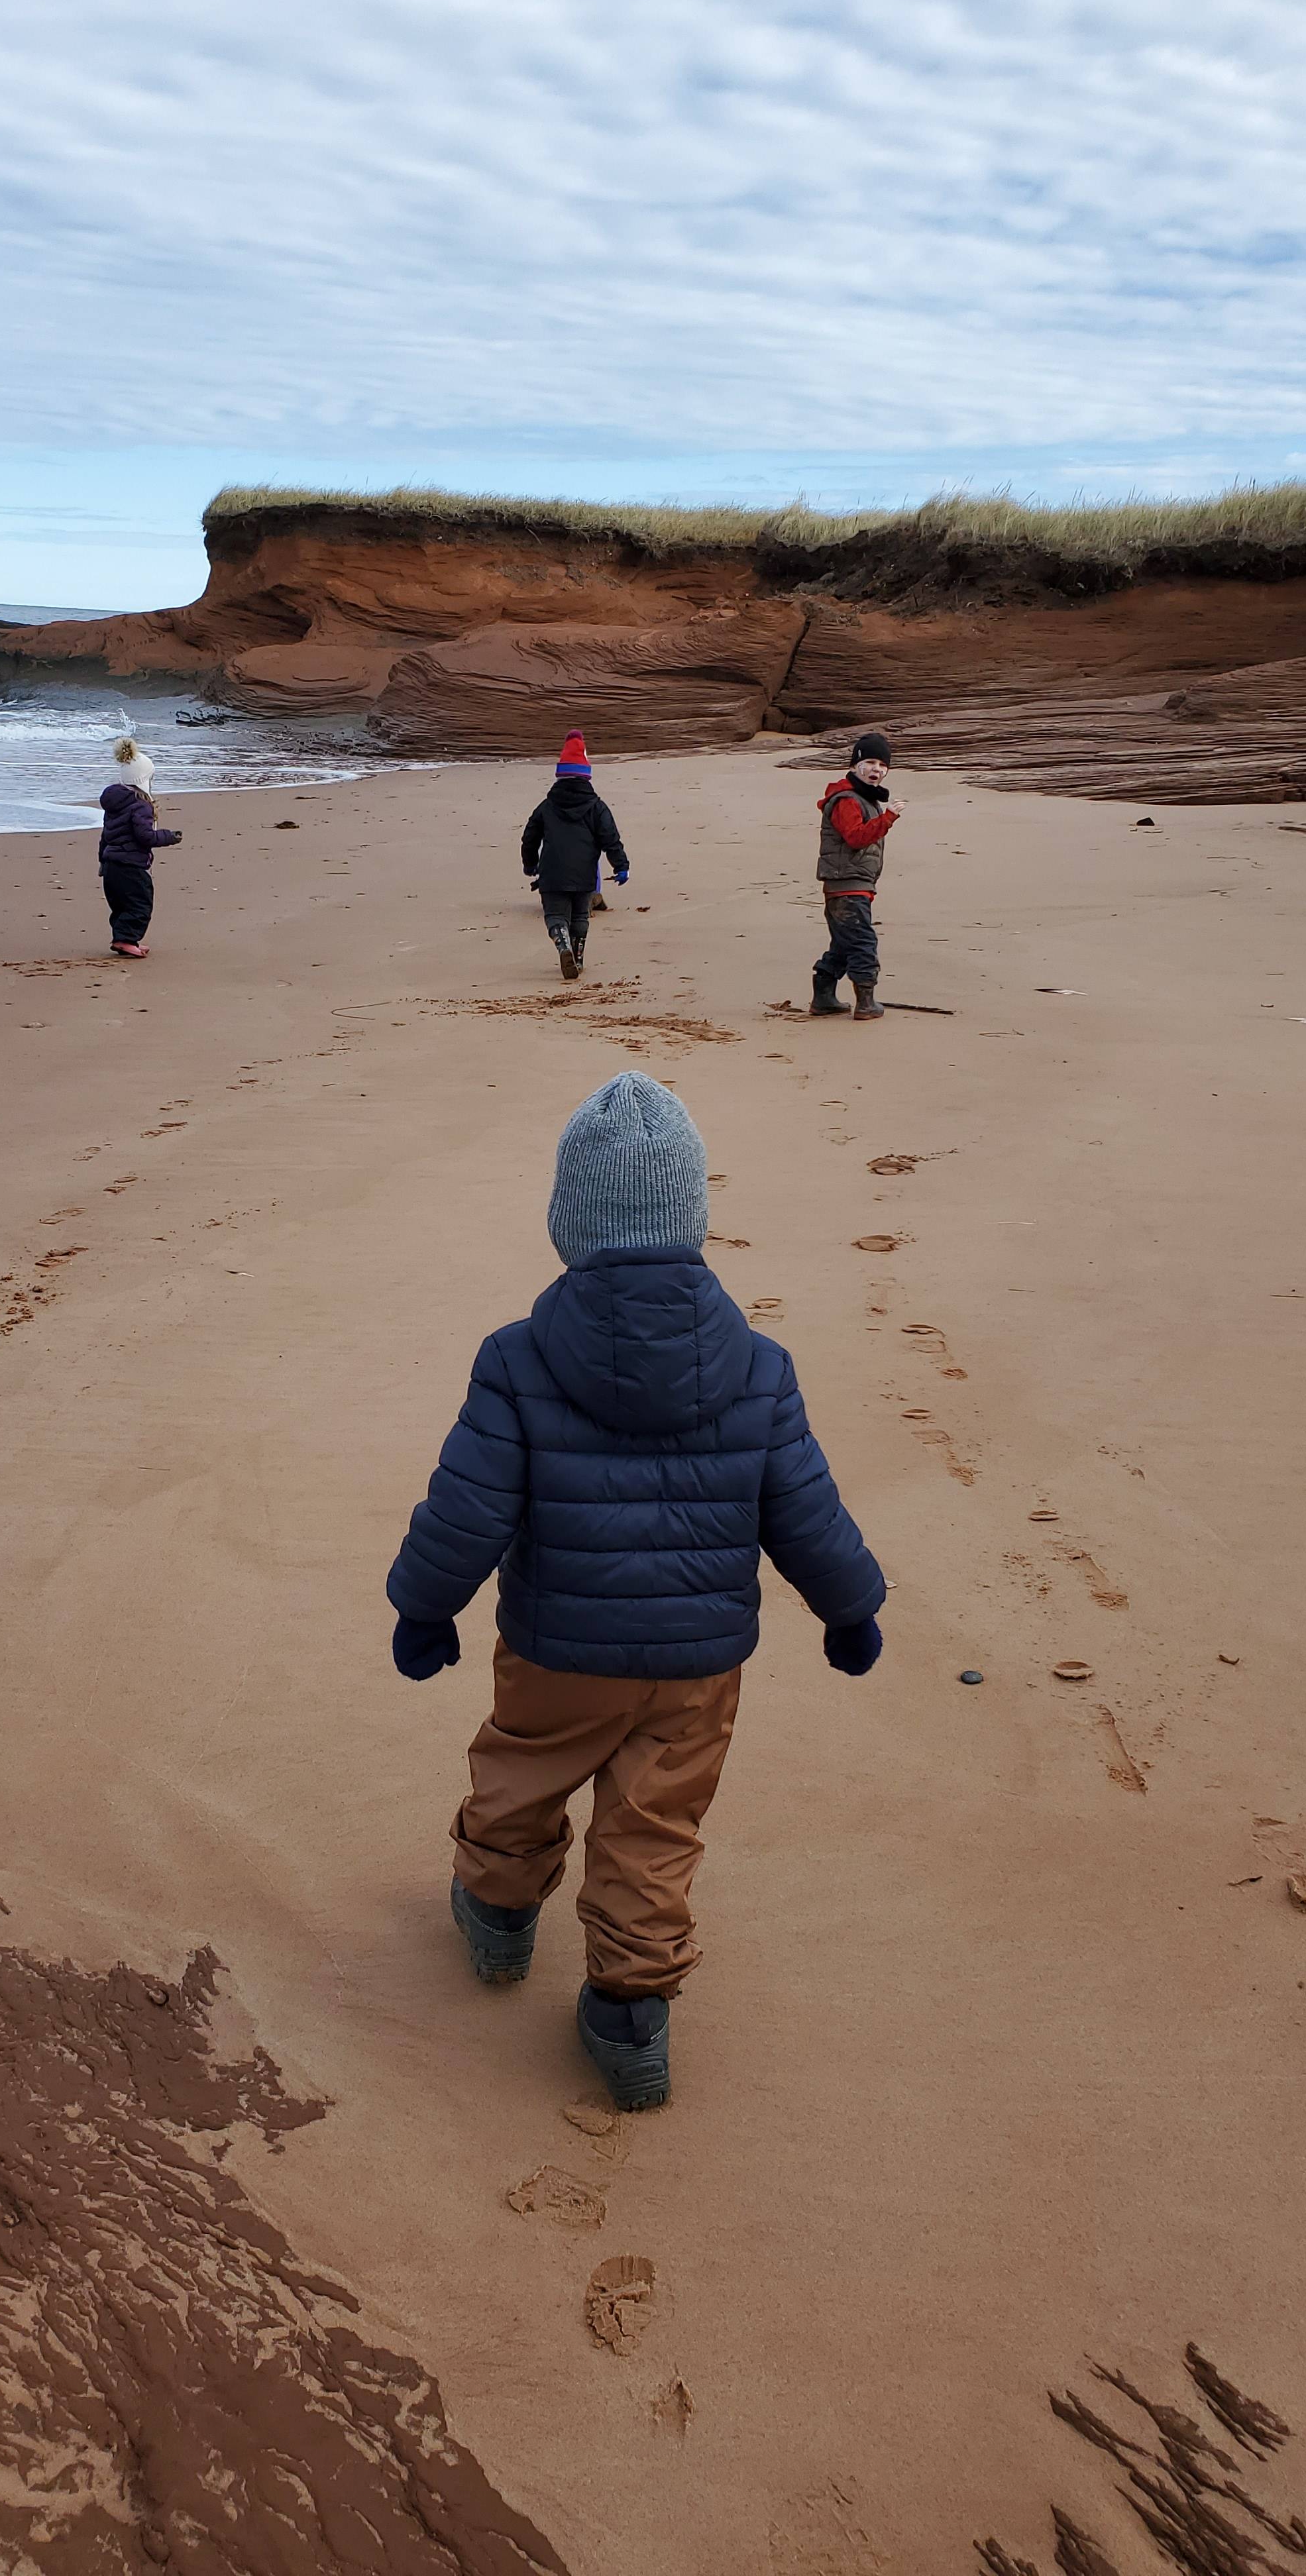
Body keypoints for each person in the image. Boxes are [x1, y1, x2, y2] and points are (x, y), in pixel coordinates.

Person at [384, 1072, 887, 2110]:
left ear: (570, 1224)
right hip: (697, 1665)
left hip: (557, 1649)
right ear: (692, 1218)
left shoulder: (518, 1360)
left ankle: (498, 1919)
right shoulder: (758, 1364)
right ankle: (628, 2014)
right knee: (655, 1828)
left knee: (521, 1773)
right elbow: (804, 1506)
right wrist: (851, 1606)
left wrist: (424, 1605)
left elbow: (468, 1506)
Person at [521, 733, 628, 982]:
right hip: (584, 875)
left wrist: (530, 865)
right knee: (580, 916)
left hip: (552, 873)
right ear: (586, 775)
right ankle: (577, 958)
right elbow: (610, 838)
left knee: (556, 915)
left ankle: (563, 945)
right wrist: (621, 866)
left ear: (560, 775)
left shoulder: (547, 806)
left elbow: (530, 836)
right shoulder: (597, 807)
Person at [810, 730, 898, 1018]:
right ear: (854, 766)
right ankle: (866, 1003)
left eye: (883, 765)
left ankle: (823, 999)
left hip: (850, 886)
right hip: (847, 886)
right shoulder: (848, 800)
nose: (877, 770)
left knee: (844, 943)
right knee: (862, 942)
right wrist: (888, 819)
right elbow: (856, 837)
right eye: (871, 762)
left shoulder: (863, 798)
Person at [96, 737, 179, 960]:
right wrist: (169, 837)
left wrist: (103, 862)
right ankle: (126, 939)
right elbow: (145, 836)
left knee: (121, 905)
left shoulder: (115, 806)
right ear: (144, 780)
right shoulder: (140, 805)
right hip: (131, 866)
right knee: (140, 903)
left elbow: (106, 837)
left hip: (112, 865)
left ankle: (123, 939)